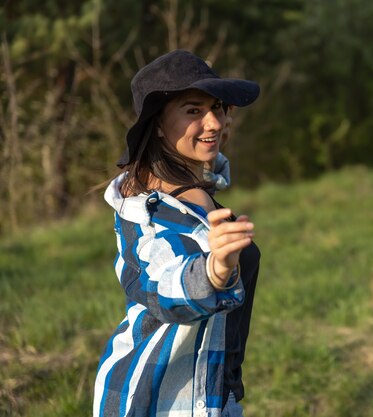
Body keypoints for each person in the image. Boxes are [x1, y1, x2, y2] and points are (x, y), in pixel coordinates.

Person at [93, 49, 261, 417]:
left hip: (209, 387)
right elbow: (163, 286)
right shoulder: (151, 210)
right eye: (193, 111)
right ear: (156, 123)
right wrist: (213, 273)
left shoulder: (184, 188)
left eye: (217, 108)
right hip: (161, 400)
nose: (214, 123)